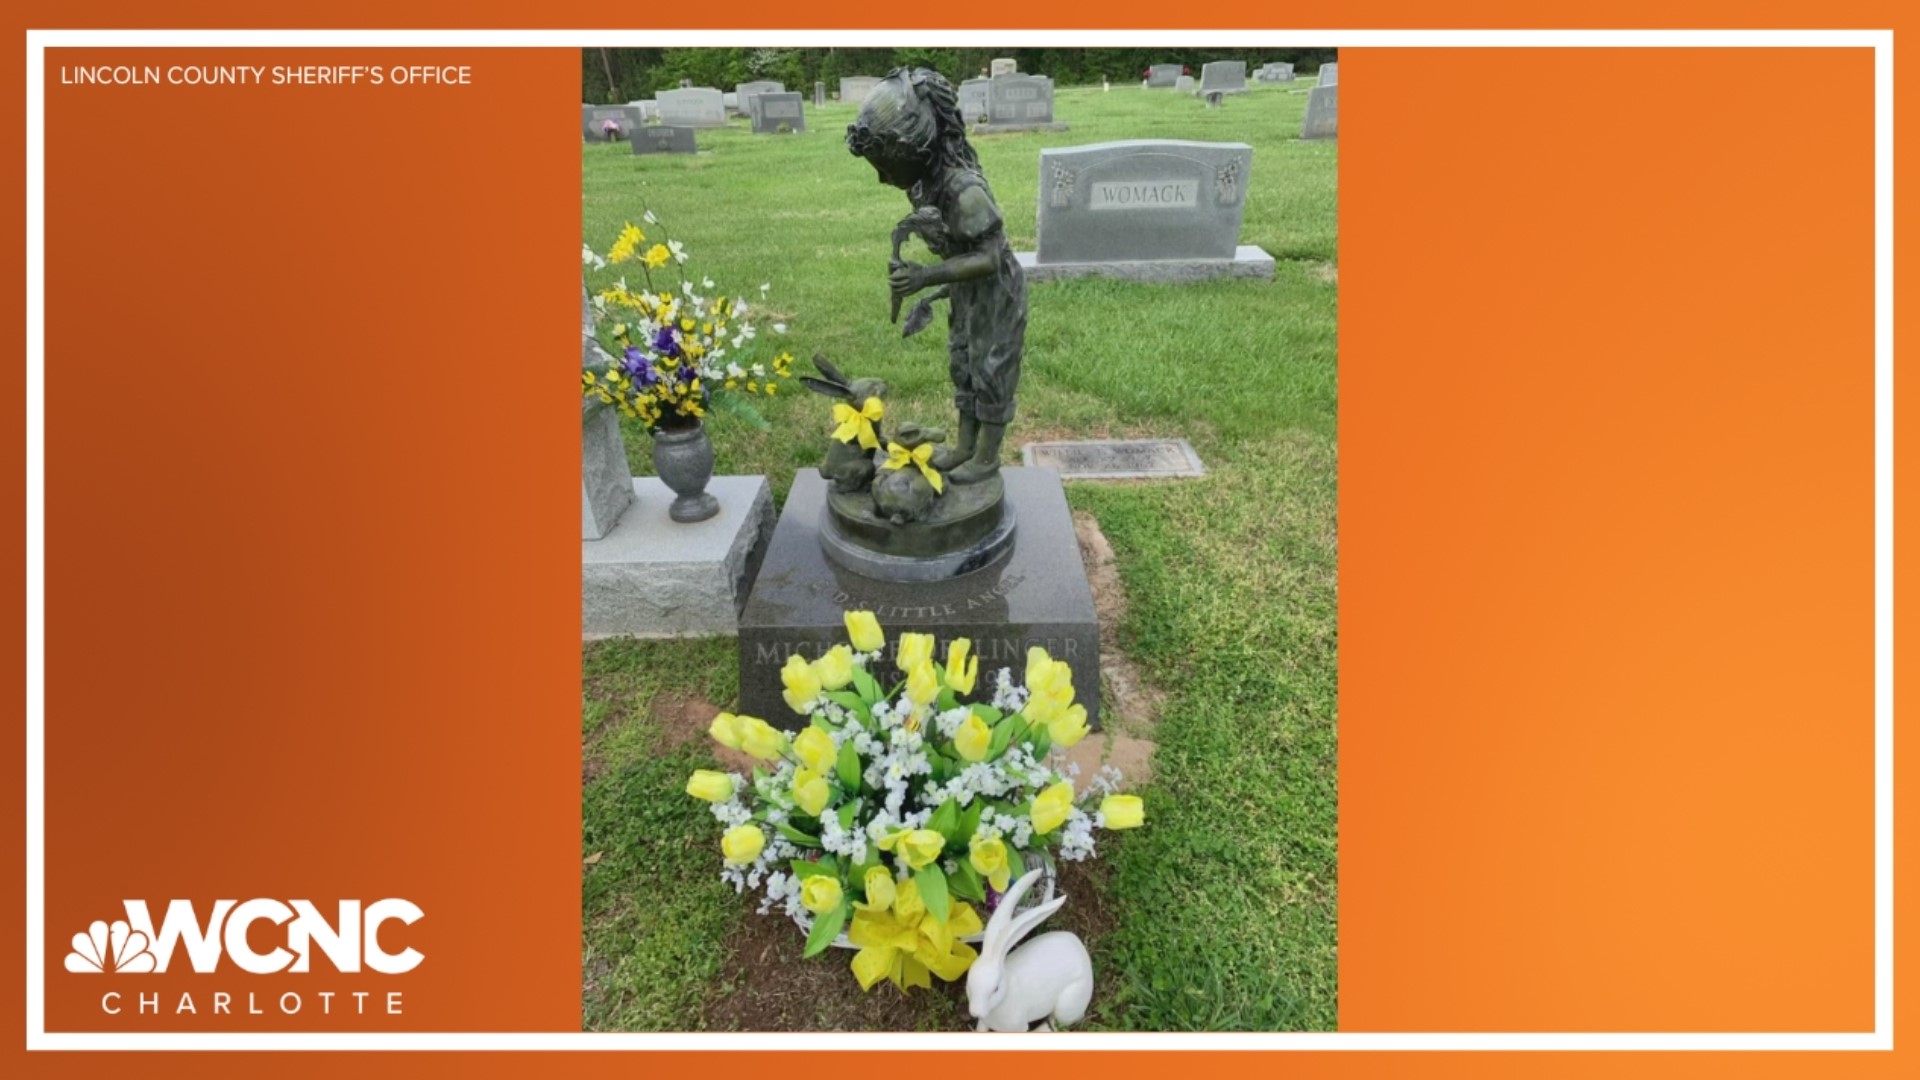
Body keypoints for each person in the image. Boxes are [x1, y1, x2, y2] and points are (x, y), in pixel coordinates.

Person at [845, 68, 1027, 484]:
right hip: (967, 291)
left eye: (887, 166)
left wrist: (926, 276)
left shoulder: (963, 190)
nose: (883, 177)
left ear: (916, 149)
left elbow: (989, 259)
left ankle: (986, 456)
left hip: (996, 295)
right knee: (962, 363)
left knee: (991, 368)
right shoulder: (930, 182)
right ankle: (964, 446)